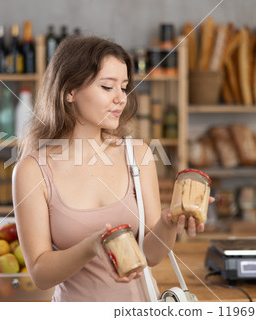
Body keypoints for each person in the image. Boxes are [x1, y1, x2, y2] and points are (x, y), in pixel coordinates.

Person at [12, 35, 207, 302]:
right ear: (70, 91)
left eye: (124, 87)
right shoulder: (32, 170)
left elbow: (151, 256)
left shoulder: (138, 155)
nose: (121, 98)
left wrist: (168, 221)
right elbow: (40, 273)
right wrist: (91, 246)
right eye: (107, 87)